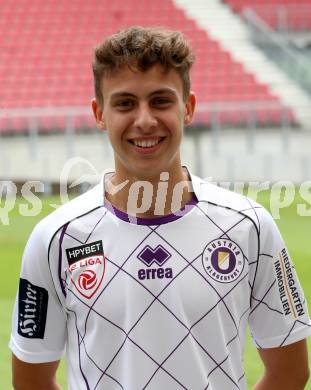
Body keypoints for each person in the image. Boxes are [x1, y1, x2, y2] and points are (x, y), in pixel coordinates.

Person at [10, 26, 311, 390]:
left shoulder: (250, 226)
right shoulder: (54, 239)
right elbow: (31, 378)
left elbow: (290, 371)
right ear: (99, 113)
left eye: (160, 100)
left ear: (188, 107)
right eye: (124, 103)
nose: (145, 120)